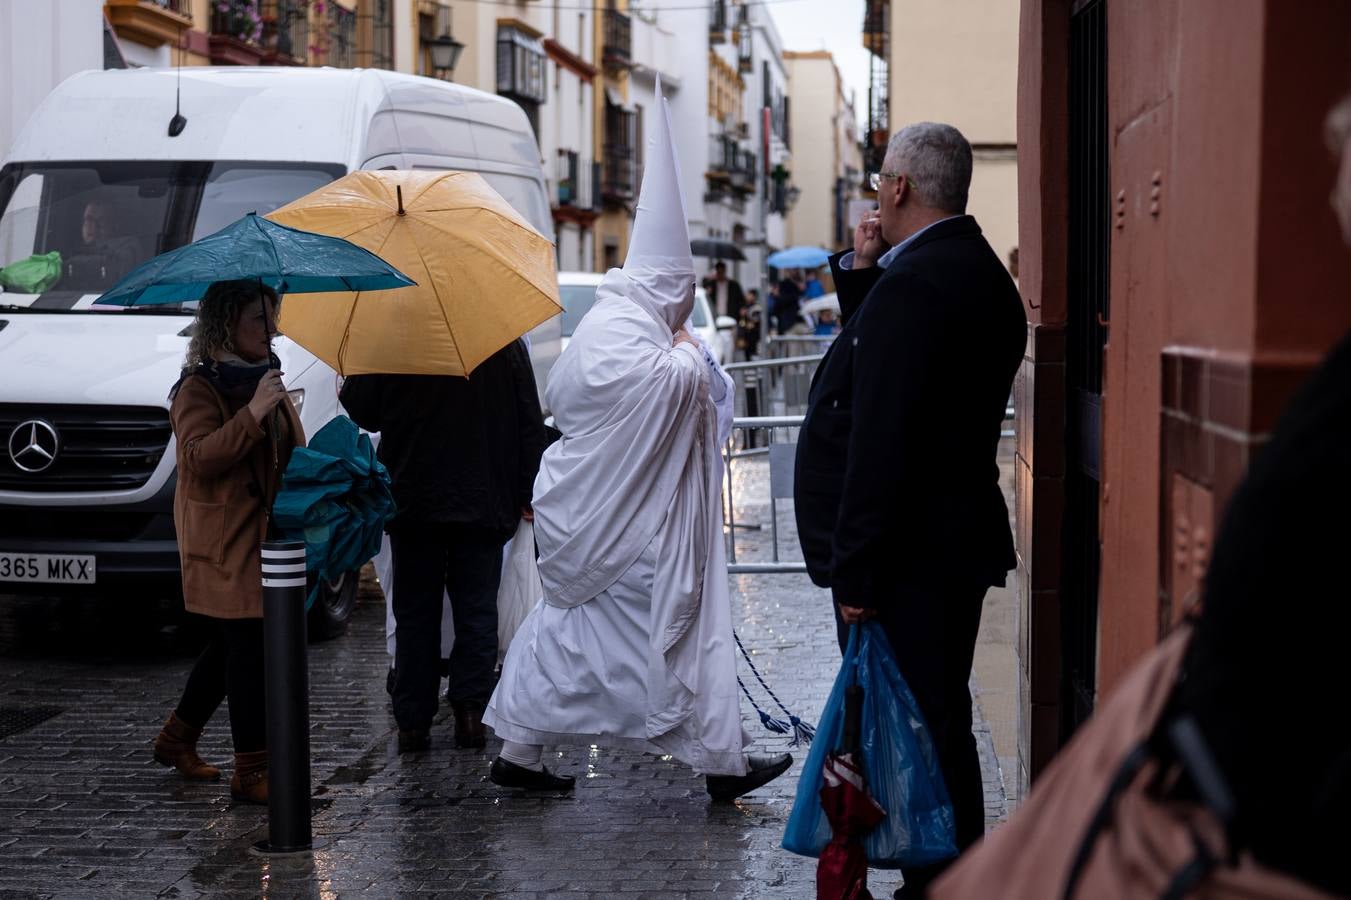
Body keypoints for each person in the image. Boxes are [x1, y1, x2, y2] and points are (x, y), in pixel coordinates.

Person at [483, 83, 792, 801]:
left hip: (603, 520)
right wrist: (687, 350)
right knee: (652, 636)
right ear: (664, 286)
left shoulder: (617, 324)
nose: (684, 308)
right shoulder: (629, 333)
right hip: (623, 531)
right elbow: (676, 387)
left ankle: (528, 751)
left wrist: (680, 347)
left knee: (572, 637)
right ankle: (719, 759)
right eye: (680, 294)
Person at [793, 122, 1026, 898]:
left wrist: (853, 567)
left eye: (877, 186)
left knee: (924, 723)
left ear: (896, 188)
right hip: (944, 543)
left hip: (905, 556)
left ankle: (944, 874)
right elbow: (900, 370)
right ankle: (940, 867)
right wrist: (865, 273)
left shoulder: (919, 284)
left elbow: (881, 436)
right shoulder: (972, 271)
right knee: (932, 714)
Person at [340, 338, 545, 754]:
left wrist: (351, 378)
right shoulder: (500, 338)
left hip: (416, 497)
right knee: (476, 609)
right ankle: (470, 714)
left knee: (416, 613)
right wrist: (528, 488)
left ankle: (413, 722)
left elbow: (365, 410)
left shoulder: (396, 334)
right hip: (483, 495)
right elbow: (528, 419)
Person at [153, 280, 304, 805]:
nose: (273, 329)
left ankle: (176, 740)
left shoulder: (265, 376)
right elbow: (198, 457)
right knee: (247, 651)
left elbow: (288, 448)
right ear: (226, 325)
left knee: (230, 647)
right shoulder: (198, 387)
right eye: (260, 320)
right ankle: (253, 770)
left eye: (273, 318)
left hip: (265, 535)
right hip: (223, 540)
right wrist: (255, 413)